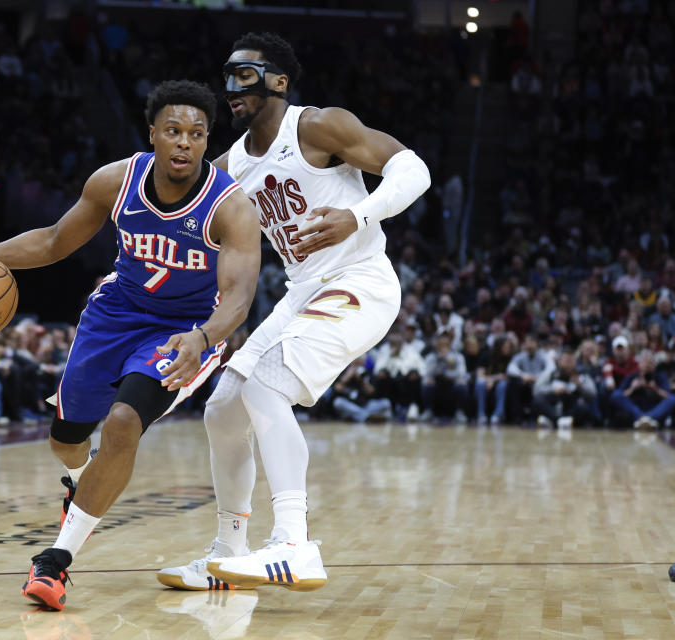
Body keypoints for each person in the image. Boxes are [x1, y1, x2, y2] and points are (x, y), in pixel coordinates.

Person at [0, 80, 260, 610]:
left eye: (197, 134)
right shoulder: (115, 181)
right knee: (66, 441)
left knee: (126, 422)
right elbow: (53, 241)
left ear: (206, 141)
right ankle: (82, 486)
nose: (184, 143)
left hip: (185, 330)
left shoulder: (231, 206)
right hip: (115, 313)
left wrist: (203, 338)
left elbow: (240, 297)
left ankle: (55, 562)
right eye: (173, 131)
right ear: (153, 134)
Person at [160, 33, 430, 592]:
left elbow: (414, 171)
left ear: (278, 81)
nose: (231, 87)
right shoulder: (230, 166)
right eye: (226, 76)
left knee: (266, 387)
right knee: (224, 409)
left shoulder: (316, 126)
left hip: (359, 279)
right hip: (301, 290)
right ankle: (227, 554)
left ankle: (293, 544)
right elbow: (206, 247)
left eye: (245, 75)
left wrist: (356, 215)